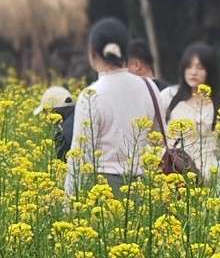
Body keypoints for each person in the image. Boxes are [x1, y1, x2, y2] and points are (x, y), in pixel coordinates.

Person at [64, 19, 161, 197]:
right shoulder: (150, 87)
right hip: (145, 190)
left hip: (104, 192)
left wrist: (69, 204)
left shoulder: (91, 95)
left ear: (92, 53)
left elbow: (79, 154)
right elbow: (158, 140)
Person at [159, 42, 220, 175]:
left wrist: (218, 169)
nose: (193, 72)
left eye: (200, 67)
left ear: (210, 71)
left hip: (207, 175)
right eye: (189, 66)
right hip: (172, 173)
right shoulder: (168, 95)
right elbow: (152, 131)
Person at [33, 85, 75, 159]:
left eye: (46, 112)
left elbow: (62, 161)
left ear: (54, 110)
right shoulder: (80, 114)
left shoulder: (65, 133)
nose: (46, 116)